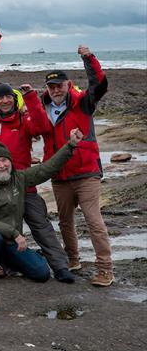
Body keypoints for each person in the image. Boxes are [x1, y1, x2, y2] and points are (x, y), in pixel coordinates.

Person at [0, 83, 75, 283]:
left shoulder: (24, 119)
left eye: (9, 97)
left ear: (15, 99)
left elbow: (43, 127)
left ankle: (61, 267)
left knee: (41, 226)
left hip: (23, 184)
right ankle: (0, 263)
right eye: (0, 97)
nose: (5, 100)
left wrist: (31, 98)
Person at [38, 45, 114, 287]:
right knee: (65, 221)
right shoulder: (42, 108)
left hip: (86, 173)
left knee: (94, 221)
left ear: (68, 85)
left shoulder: (83, 103)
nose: (56, 90)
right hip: (59, 176)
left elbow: (99, 84)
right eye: (51, 86)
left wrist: (88, 58)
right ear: (47, 89)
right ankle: (73, 260)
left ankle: (105, 269)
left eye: (59, 85)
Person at [0, 132, 82, 282]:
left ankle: (11, 261)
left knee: (41, 273)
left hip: (12, 243)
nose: (1, 165)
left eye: (4, 160)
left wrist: (70, 146)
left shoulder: (19, 178)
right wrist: (14, 233)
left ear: (10, 162)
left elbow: (46, 169)